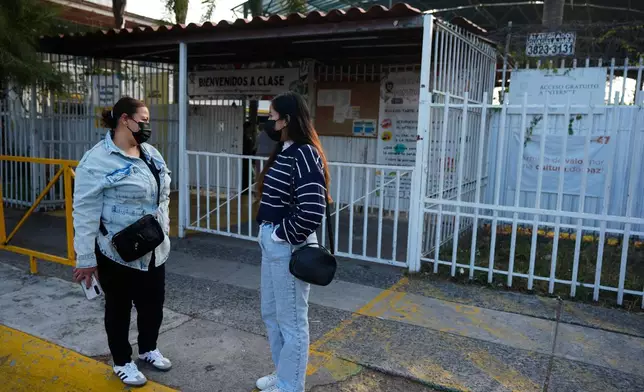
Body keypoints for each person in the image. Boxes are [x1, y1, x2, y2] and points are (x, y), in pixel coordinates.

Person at [72, 97, 172, 387]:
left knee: (153, 304)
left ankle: (148, 349)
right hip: (116, 252)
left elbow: (163, 194)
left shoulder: (151, 154)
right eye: (143, 120)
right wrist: (86, 260)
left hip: (153, 249)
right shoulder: (96, 161)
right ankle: (122, 361)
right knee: (119, 308)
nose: (147, 126)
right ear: (124, 120)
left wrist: (162, 227)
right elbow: (85, 213)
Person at [254, 92, 331, 392]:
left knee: (292, 321)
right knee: (272, 314)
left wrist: (280, 234)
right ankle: (284, 372)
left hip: (286, 247)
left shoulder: (304, 153)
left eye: (272, 118)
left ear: (287, 120)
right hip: (273, 245)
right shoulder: (285, 150)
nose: (268, 123)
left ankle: (290, 385)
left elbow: (313, 209)